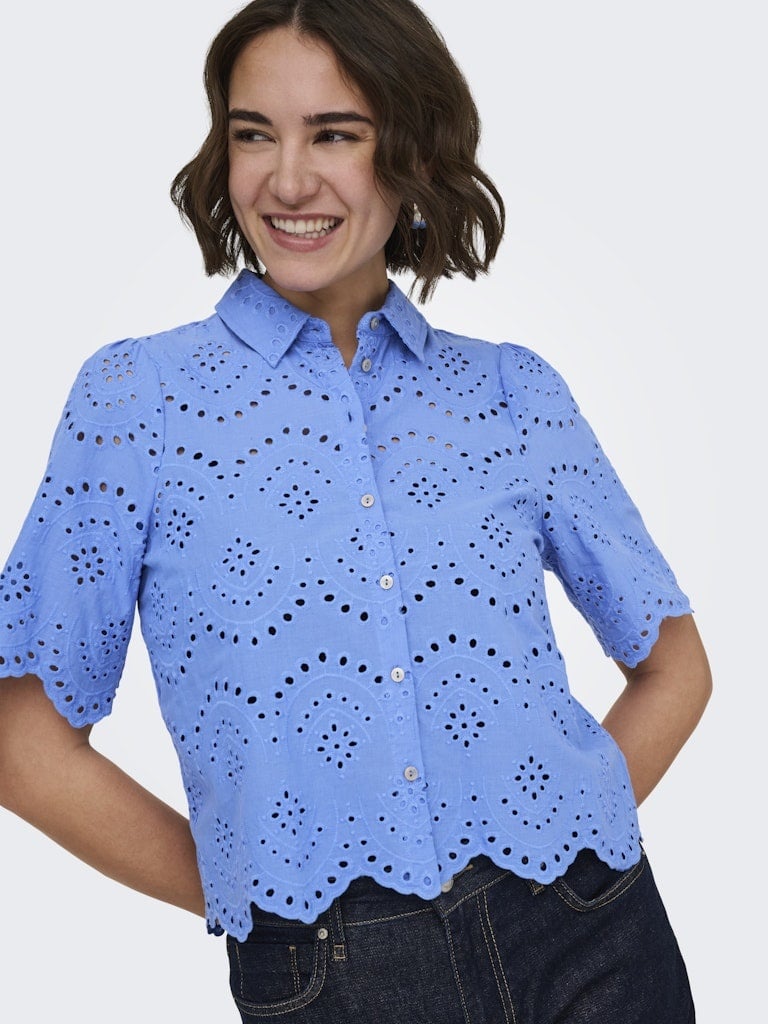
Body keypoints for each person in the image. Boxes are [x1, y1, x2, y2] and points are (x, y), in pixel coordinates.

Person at [0, 0, 712, 1020]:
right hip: (333, 972)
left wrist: (562, 826)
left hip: (593, 935)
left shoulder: (511, 391)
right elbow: (23, 745)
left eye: (335, 133)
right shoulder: (137, 401)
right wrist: (258, 887)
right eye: (255, 135)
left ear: (411, 151)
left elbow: (676, 665)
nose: (288, 181)